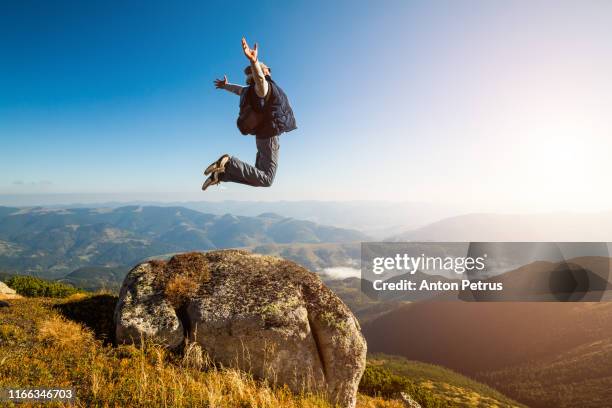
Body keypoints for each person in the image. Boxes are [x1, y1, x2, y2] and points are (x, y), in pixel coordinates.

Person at [202, 37, 297, 191]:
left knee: (257, 176)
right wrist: (254, 61)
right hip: (269, 136)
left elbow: (238, 89)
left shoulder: (248, 91)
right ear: (263, 71)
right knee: (267, 179)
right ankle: (228, 164)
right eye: (267, 68)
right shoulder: (263, 87)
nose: (270, 70)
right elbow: (260, 80)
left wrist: (226, 86)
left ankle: (221, 175)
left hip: (261, 137)